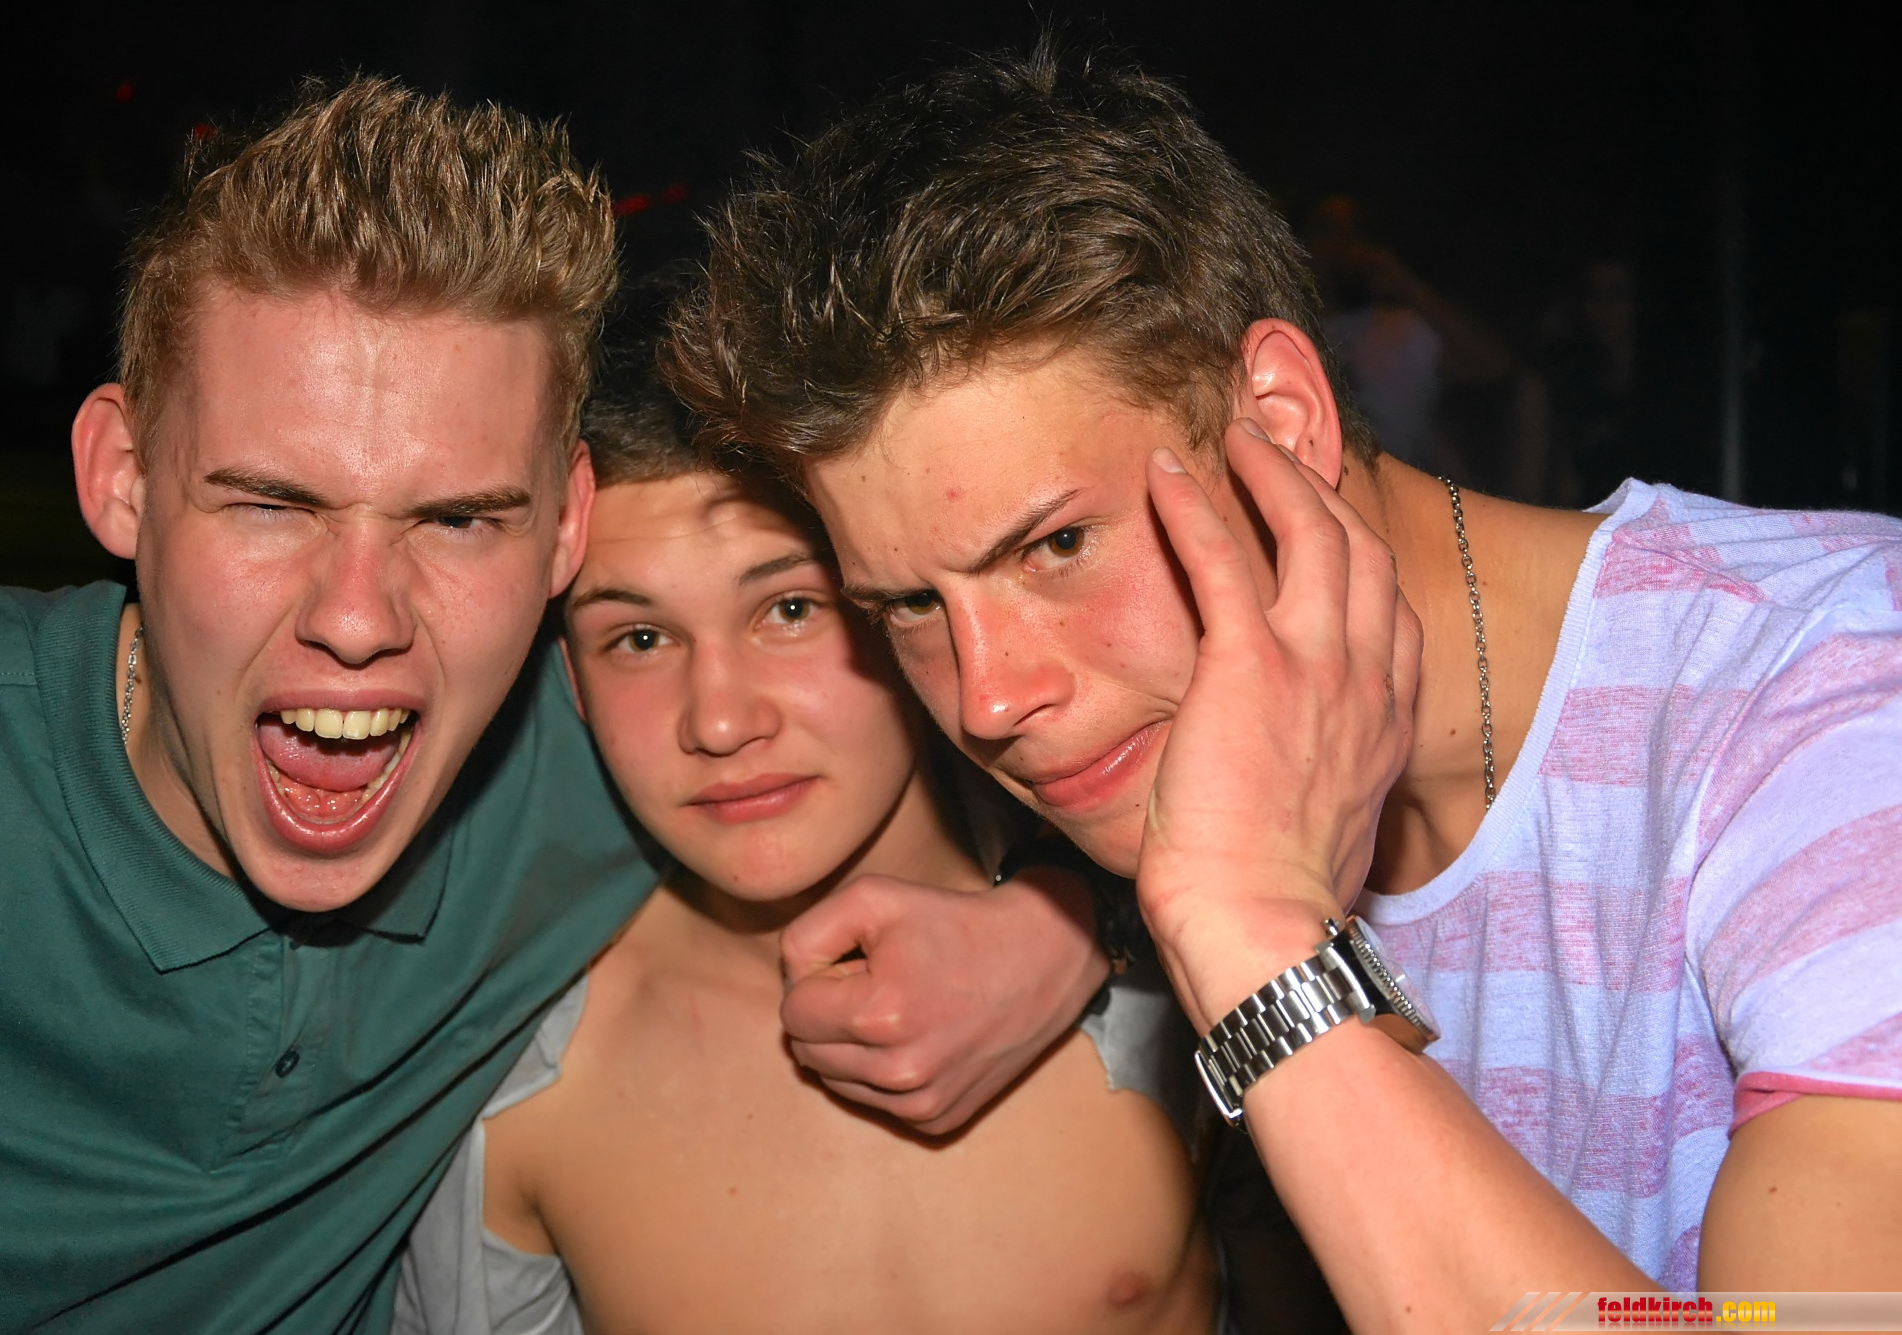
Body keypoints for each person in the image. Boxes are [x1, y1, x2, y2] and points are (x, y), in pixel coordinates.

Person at [665, 39, 1902, 1327]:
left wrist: (1254, 945)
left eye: (1055, 545)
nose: (987, 698)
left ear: (1281, 421)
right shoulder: (1160, 772)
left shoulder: (1829, 694)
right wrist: (1085, 924)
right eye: (911, 607)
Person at [0, 77, 1109, 1332]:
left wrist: (1063, 923)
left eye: (457, 520)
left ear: (564, 528)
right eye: (270, 504)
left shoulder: (632, 750)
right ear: (122, 478)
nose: (357, 618)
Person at [394, 339, 1221, 1334]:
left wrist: (1093, 921)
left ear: (903, 610)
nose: (720, 720)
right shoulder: (515, 1087)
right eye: (639, 639)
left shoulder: (1188, 938)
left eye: (788, 610)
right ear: (572, 681)